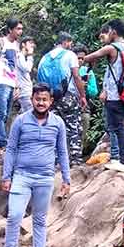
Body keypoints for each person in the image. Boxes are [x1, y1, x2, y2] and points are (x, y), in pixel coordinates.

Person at [0, 83, 71, 247]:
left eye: (45, 99)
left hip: (45, 177)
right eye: (38, 99)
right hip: (22, 176)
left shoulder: (58, 123)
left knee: (39, 220)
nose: (41, 103)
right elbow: (11, 149)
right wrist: (6, 176)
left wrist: (66, 178)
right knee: (15, 215)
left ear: (51, 101)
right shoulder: (20, 121)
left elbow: (62, 151)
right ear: (32, 100)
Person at [82, 19, 124, 172]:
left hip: (115, 96)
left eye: (109, 30)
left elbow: (93, 56)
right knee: (117, 127)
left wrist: (78, 59)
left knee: (119, 128)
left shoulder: (112, 48)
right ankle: (119, 159)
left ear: (114, 32)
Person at [41, 32, 87, 166]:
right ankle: (75, 160)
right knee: (74, 128)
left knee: (53, 128)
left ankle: (54, 161)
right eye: (70, 43)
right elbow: (77, 77)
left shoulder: (45, 57)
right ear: (66, 42)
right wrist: (82, 96)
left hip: (50, 98)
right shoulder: (70, 55)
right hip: (68, 96)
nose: (71, 46)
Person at [0, 17, 23, 149]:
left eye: (21, 29)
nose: (20, 31)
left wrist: (17, 86)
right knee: (1, 114)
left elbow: (16, 67)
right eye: (18, 29)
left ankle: (3, 140)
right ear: (10, 29)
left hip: (11, 83)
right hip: (1, 82)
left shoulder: (17, 46)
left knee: (7, 113)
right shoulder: (0, 43)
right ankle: (1, 142)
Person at [16, 37, 36, 113]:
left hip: (26, 91)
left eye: (33, 43)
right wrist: (30, 55)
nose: (32, 45)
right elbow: (27, 68)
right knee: (30, 114)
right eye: (30, 43)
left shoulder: (22, 57)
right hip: (24, 92)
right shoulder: (19, 56)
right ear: (23, 44)